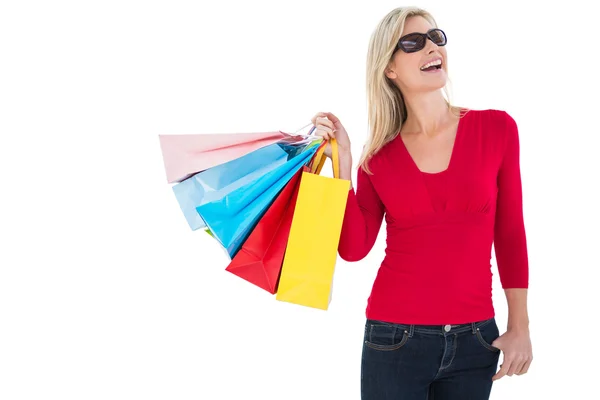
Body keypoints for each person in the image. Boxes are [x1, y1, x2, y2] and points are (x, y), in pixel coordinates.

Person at [310, 6, 532, 400]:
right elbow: (353, 248)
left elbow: (510, 232)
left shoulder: (496, 128)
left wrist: (520, 326)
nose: (432, 47)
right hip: (393, 338)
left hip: (476, 340)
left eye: (436, 37)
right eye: (413, 43)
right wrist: (342, 162)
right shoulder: (378, 157)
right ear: (389, 69)